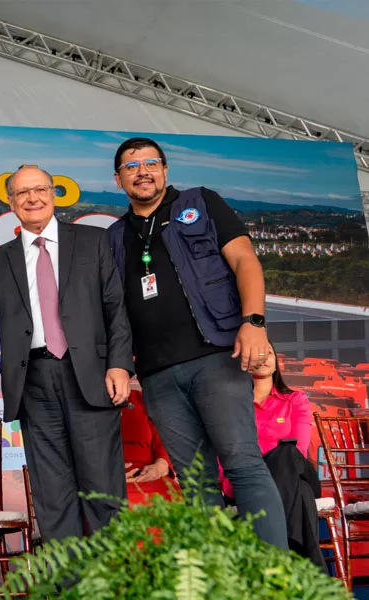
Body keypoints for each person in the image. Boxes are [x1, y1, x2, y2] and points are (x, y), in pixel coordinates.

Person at [106, 137, 287, 549]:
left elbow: (244, 260)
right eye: (131, 167)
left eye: (151, 163)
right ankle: (219, 582)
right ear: (118, 180)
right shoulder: (115, 236)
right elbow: (113, 308)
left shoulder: (201, 203)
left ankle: (278, 579)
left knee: (243, 464)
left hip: (216, 359)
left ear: (165, 170)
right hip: (157, 375)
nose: (142, 171)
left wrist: (254, 322)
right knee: (196, 482)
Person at [0, 166, 134, 544]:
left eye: (39, 190)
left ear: (53, 194)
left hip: (91, 375)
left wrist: (119, 364)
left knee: (103, 489)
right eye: (22, 193)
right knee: (53, 495)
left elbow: (116, 306)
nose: (32, 198)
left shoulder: (92, 241)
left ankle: (115, 583)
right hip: (33, 381)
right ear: (12, 203)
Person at [220, 344, 321, 564]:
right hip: (249, 481)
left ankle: (273, 558)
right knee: (301, 493)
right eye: (258, 353)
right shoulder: (232, 406)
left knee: (286, 452)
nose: (264, 358)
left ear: (277, 361)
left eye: (269, 354)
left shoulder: (296, 400)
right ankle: (301, 567)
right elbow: (225, 453)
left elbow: (299, 451)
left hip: (293, 470)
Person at [120, 390, 179, 505]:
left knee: (174, 500)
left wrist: (159, 466)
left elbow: (162, 442)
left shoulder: (141, 398)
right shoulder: (86, 402)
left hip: (148, 475)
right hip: (107, 480)